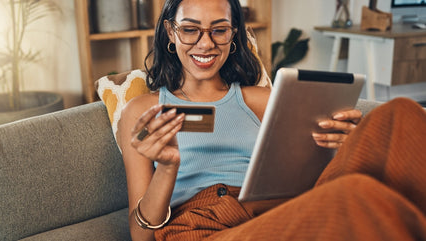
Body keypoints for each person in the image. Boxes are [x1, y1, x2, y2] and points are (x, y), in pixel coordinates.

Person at [118, 0, 426, 240]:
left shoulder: (264, 98)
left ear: (233, 33)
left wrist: (346, 143)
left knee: (401, 114)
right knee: (353, 195)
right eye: (190, 29)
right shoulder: (145, 109)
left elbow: (305, 169)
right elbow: (141, 235)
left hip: (275, 209)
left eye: (219, 29)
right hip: (202, 227)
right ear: (171, 32)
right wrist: (168, 169)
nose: (205, 43)